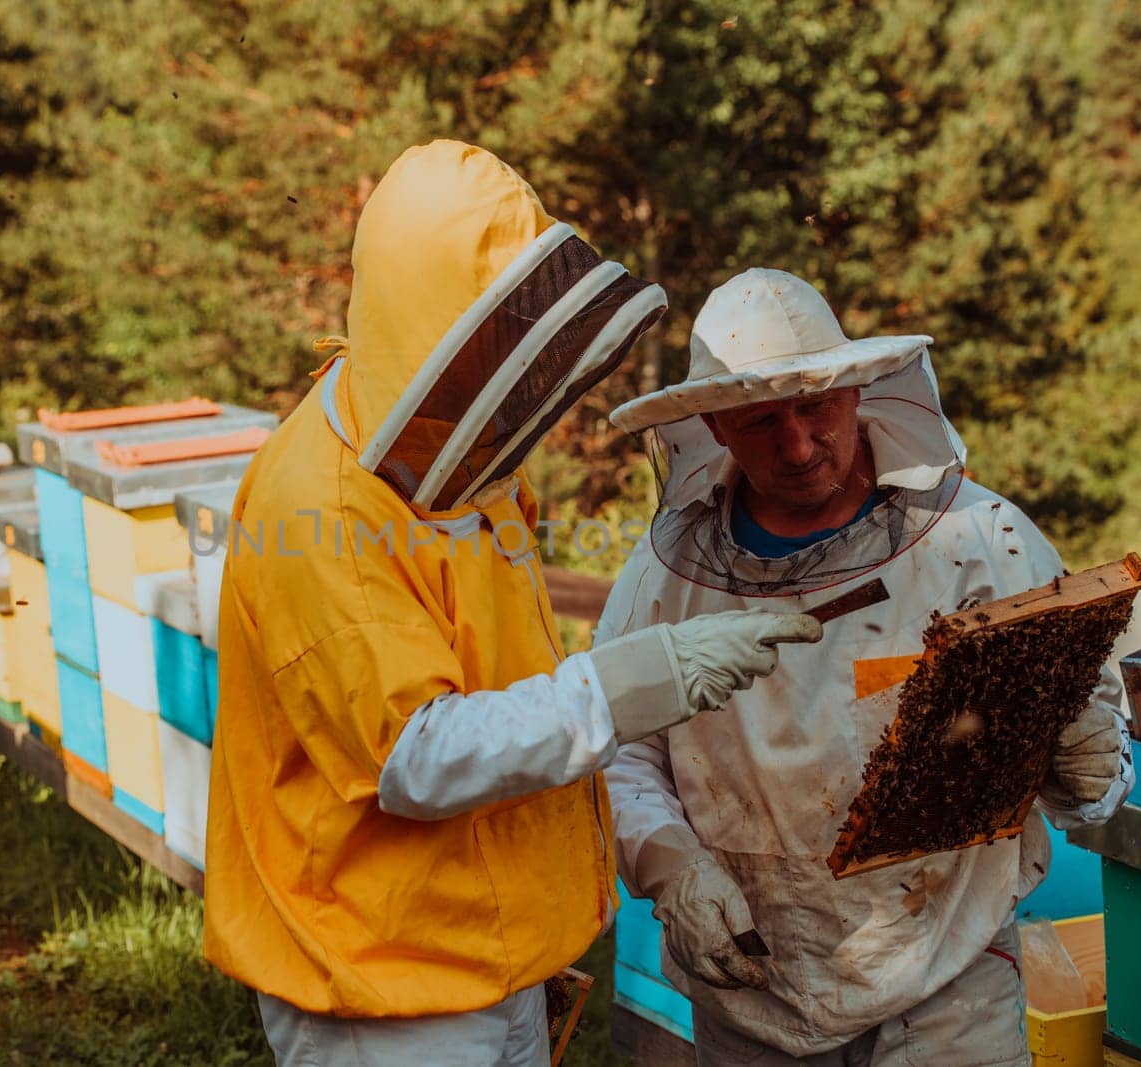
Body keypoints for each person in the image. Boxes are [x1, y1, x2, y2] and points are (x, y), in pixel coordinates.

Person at [200, 143, 821, 1065]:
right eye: (484, 341)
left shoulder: (461, 464)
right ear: (428, 326)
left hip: (483, 946)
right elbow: (414, 752)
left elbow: (504, 667)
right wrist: (628, 687)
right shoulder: (321, 512)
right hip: (384, 978)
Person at [598, 267, 1133, 1064]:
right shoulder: (662, 574)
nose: (798, 443)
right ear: (712, 424)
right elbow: (619, 748)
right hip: (750, 979)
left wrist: (1094, 758)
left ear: (856, 388)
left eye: (814, 405)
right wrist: (672, 870)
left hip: (949, 979)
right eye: (759, 420)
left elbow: (1092, 733)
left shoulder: (981, 540)